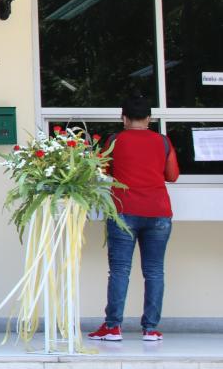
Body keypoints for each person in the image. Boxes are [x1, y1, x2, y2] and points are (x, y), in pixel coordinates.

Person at [88, 95, 180, 342]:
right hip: (158, 212)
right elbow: (172, 175)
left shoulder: (115, 140)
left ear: (124, 118)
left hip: (124, 211)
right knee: (154, 271)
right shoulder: (163, 141)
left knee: (120, 270)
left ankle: (113, 327)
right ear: (149, 118)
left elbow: (102, 170)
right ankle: (150, 329)